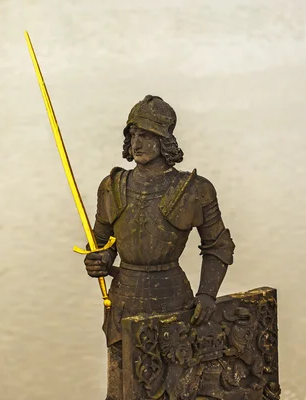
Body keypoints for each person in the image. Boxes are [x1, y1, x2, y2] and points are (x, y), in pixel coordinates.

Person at [83, 95, 236, 400]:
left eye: (146, 134)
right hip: (123, 300)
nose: (136, 142)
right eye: (133, 134)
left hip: (174, 300)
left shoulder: (195, 189)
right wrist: (98, 260)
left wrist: (206, 295)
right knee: (123, 390)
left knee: (176, 389)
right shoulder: (112, 186)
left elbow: (219, 246)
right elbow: (101, 243)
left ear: (164, 139)